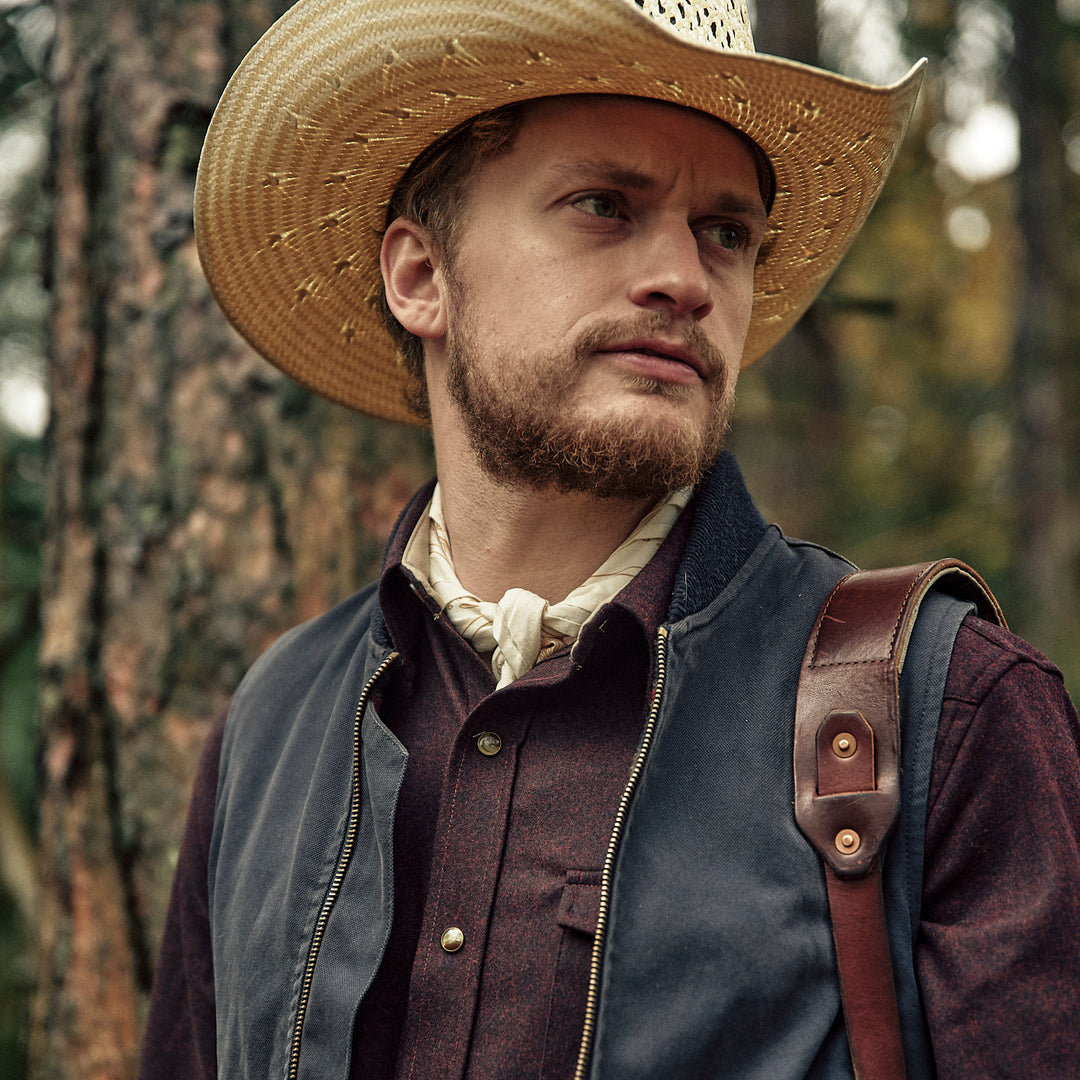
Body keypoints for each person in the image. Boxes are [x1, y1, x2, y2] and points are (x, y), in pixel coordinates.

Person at [139, 0, 1080, 1077]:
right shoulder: (274, 724)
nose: (686, 278)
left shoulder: (944, 711)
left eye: (726, 232)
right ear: (420, 278)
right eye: (603, 205)